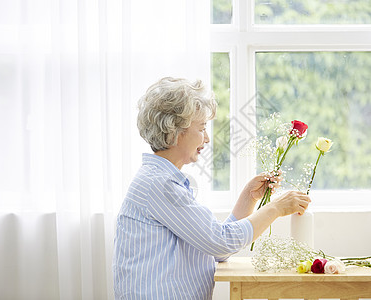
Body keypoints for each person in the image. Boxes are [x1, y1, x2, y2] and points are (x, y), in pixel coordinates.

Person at [112, 77, 311, 299]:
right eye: (202, 128)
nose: (207, 138)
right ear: (175, 131)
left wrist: (249, 198)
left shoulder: (161, 180)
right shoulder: (161, 185)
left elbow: (215, 246)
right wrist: (275, 209)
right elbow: (220, 243)